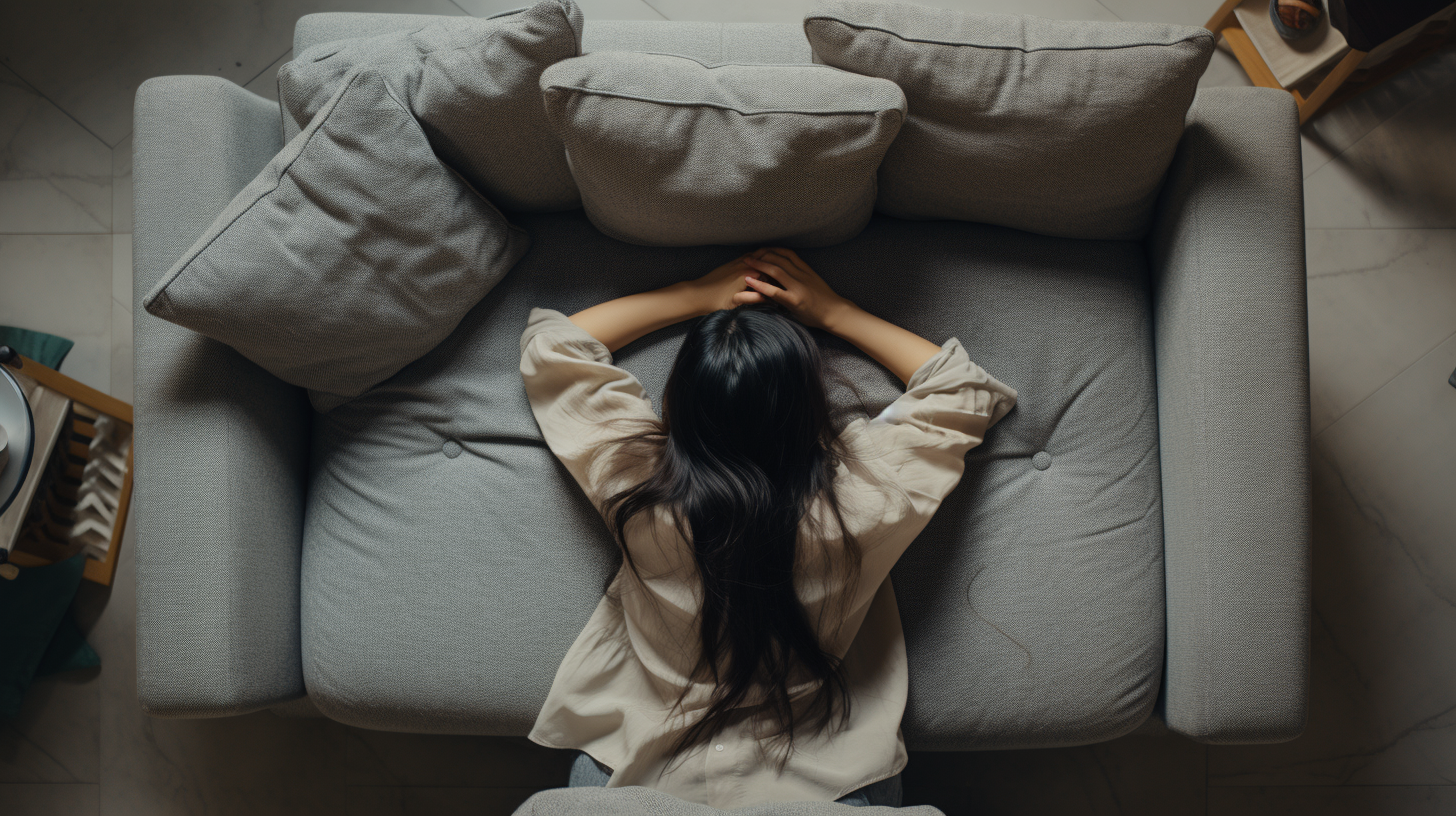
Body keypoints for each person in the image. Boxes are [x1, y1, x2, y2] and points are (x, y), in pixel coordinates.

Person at [520, 247, 1017, 808]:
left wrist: (694, 294)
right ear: (812, 412)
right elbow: (963, 389)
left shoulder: (634, 481)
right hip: (829, 774)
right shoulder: (868, 496)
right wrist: (834, 312)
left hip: (635, 760)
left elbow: (551, 345)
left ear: (671, 405)